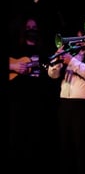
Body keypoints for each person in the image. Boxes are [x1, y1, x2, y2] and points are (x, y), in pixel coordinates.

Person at [8, 13, 60, 174]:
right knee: (18, 137)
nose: (31, 30)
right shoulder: (15, 48)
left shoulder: (44, 50)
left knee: (37, 138)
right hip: (18, 101)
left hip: (39, 102)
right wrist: (14, 67)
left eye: (34, 28)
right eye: (28, 28)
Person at [47, 29, 85, 174]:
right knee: (66, 147)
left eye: (83, 38)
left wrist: (73, 62)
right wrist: (56, 61)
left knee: (82, 148)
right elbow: (53, 75)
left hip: (84, 107)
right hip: (65, 104)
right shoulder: (71, 55)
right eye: (77, 38)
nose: (79, 42)